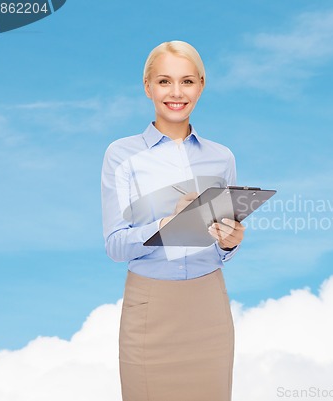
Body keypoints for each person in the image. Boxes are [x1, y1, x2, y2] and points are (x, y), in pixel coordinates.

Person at [101, 40, 245, 401]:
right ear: (147, 86)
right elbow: (116, 246)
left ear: (201, 85)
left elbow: (220, 239)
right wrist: (167, 223)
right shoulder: (121, 155)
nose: (176, 93)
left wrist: (230, 242)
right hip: (151, 307)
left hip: (209, 305)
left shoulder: (221, 158)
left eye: (187, 81)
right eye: (164, 81)